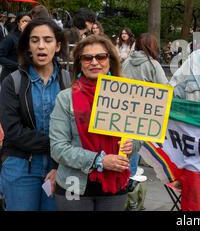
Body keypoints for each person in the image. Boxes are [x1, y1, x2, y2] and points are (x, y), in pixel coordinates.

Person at [49, 35, 140, 211]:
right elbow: (58, 148)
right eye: (87, 58)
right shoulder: (65, 99)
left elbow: (138, 140)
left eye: (101, 57)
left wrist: (132, 145)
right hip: (73, 185)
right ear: (80, 63)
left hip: (115, 185)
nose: (94, 62)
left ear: (110, 60)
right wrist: (99, 160)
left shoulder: (127, 96)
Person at [0, 18, 69, 211]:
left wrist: (61, 161)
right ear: (27, 45)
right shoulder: (12, 82)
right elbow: (13, 131)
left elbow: (75, 128)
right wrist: (58, 145)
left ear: (58, 46)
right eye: (35, 40)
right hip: (21, 167)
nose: (41, 46)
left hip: (60, 168)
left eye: (48, 40)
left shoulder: (68, 81)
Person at [122, 32, 168, 183]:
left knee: (127, 140)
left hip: (124, 106)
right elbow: (164, 87)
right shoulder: (152, 64)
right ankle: (131, 173)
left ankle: (126, 170)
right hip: (144, 109)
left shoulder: (127, 61)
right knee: (136, 142)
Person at [0, 13, 32, 82]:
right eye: (24, 21)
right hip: (10, 76)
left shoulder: (32, 38)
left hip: (26, 77)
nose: (26, 24)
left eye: (29, 21)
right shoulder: (10, 38)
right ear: (18, 22)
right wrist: (17, 66)